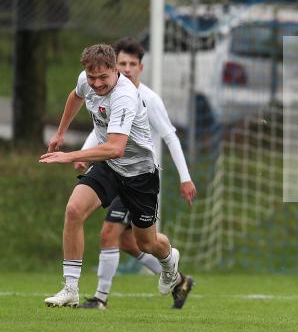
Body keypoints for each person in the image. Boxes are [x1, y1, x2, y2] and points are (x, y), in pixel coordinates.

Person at [39, 44, 192, 309]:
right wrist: (61, 132)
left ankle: (169, 262)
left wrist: (70, 155)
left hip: (139, 173)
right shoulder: (86, 79)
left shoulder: (125, 96)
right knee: (74, 210)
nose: (97, 83)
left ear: (114, 71)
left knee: (146, 243)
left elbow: (116, 147)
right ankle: (71, 288)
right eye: (92, 77)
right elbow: (76, 95)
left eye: (103, 77)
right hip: (109, 166)